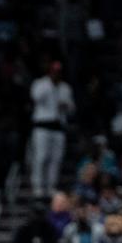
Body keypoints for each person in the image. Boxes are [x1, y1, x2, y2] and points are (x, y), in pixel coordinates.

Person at [29, 61, 74, 198]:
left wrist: (66, 105)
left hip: (58, 127)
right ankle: (38, 186)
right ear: (50, 71)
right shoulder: (41, 84)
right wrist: (51, 86)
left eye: (59, 71)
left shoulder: (65, 88)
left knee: (56, 158)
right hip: (42, 126)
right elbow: (35, 97)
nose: (56, 73)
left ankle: (51, 186)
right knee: (41, 157)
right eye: (54, 71)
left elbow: (72, 108)